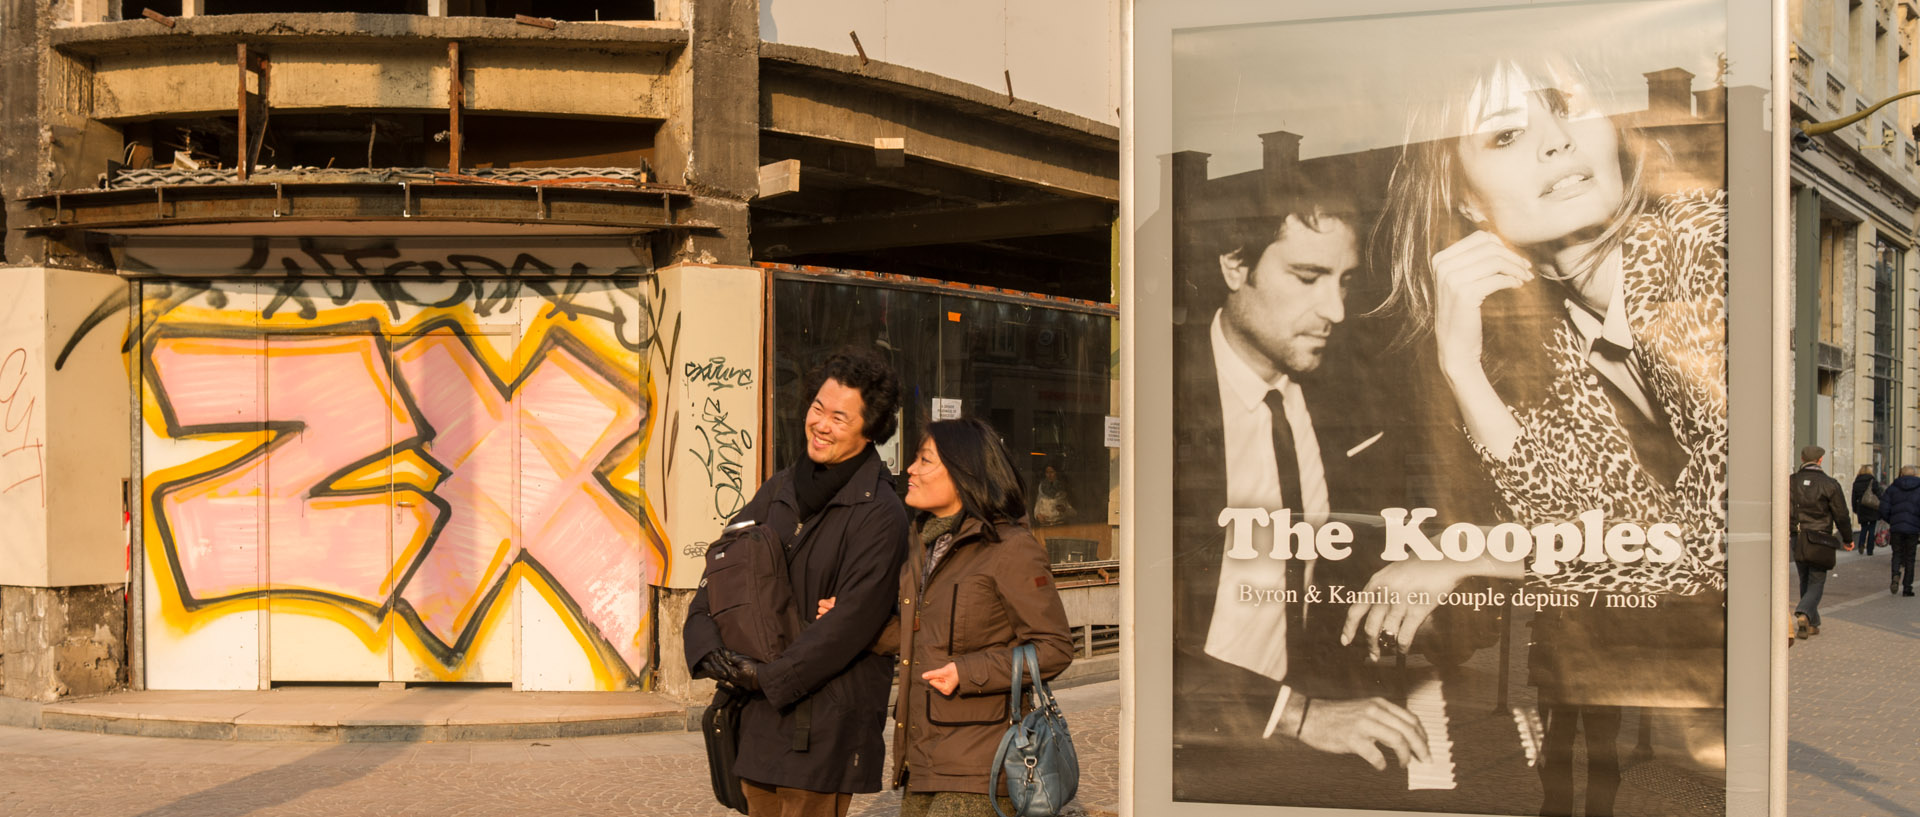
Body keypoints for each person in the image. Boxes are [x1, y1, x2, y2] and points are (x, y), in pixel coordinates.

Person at [1351, 54, 1729, 816]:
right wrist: (1461, 367)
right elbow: (1587, 524)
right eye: (1505, 136)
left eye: (1565, 105)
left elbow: (1711, 532)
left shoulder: (1704, 246)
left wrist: (1468, 556)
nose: (1557, 142)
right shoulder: (1553, 341)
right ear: (1463, 198)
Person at [1171, 179, 1431, 777]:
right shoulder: (1162, 398)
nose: (1335, 311)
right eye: (1308, 278)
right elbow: (1144, 632)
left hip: (1301, 750)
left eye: (1343, 282)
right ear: (1235, 266)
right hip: (1190, 757)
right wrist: (1293, 713)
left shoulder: (1348, 407)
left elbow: (1350, 576)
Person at [683, 350, 910, 817]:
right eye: (817, 409)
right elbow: (724, 563)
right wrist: (706, 646)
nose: (821, 424)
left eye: (839, 417)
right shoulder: (781, 487)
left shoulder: (881, 513)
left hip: (826, 717)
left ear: (871, 430)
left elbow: (849, 625)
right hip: (760, 711)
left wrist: (768, 677)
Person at [825, 418, 1074, 817]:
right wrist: (851, 620)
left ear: (963, 472)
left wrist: (967, 670)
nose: (910, 469)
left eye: (925, 460)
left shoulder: (1010, 548)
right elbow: (918, 635)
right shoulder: (924, 546)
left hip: (982, 765)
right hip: (922, 761)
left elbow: (1055, 648)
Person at [1791, 445, 1853, 638]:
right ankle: (1803, 612)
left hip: (1798, 536)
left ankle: (1812, 622)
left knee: (1804, 578)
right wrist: (1848, 538)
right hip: (1821, 538)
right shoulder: (1830, 484)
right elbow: (1841, 514)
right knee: (1817, 580)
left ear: (1802, 458)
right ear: (1820, 460)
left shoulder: (1791, 482)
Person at [1879, 465, 1920, 596]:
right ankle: (1907, 587)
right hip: (1913, 528)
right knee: (1910, 557)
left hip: (1896, 528)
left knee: (1896, 554)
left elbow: (1883, 508)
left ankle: (1895, 575)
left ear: (1901, 474)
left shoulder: (1892, 488)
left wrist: (1892, 520)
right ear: (1914, 475)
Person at [1853, 465, 1883, 555]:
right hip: (1872, 507)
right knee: (1872, 529)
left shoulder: (1856, 482)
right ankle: (1870, 549)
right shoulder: (1873, 481)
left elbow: (1853, 498)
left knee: (1864, 528)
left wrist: (1855, 509)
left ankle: (1861, 544)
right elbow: (1879, 494)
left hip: (1861, 508)